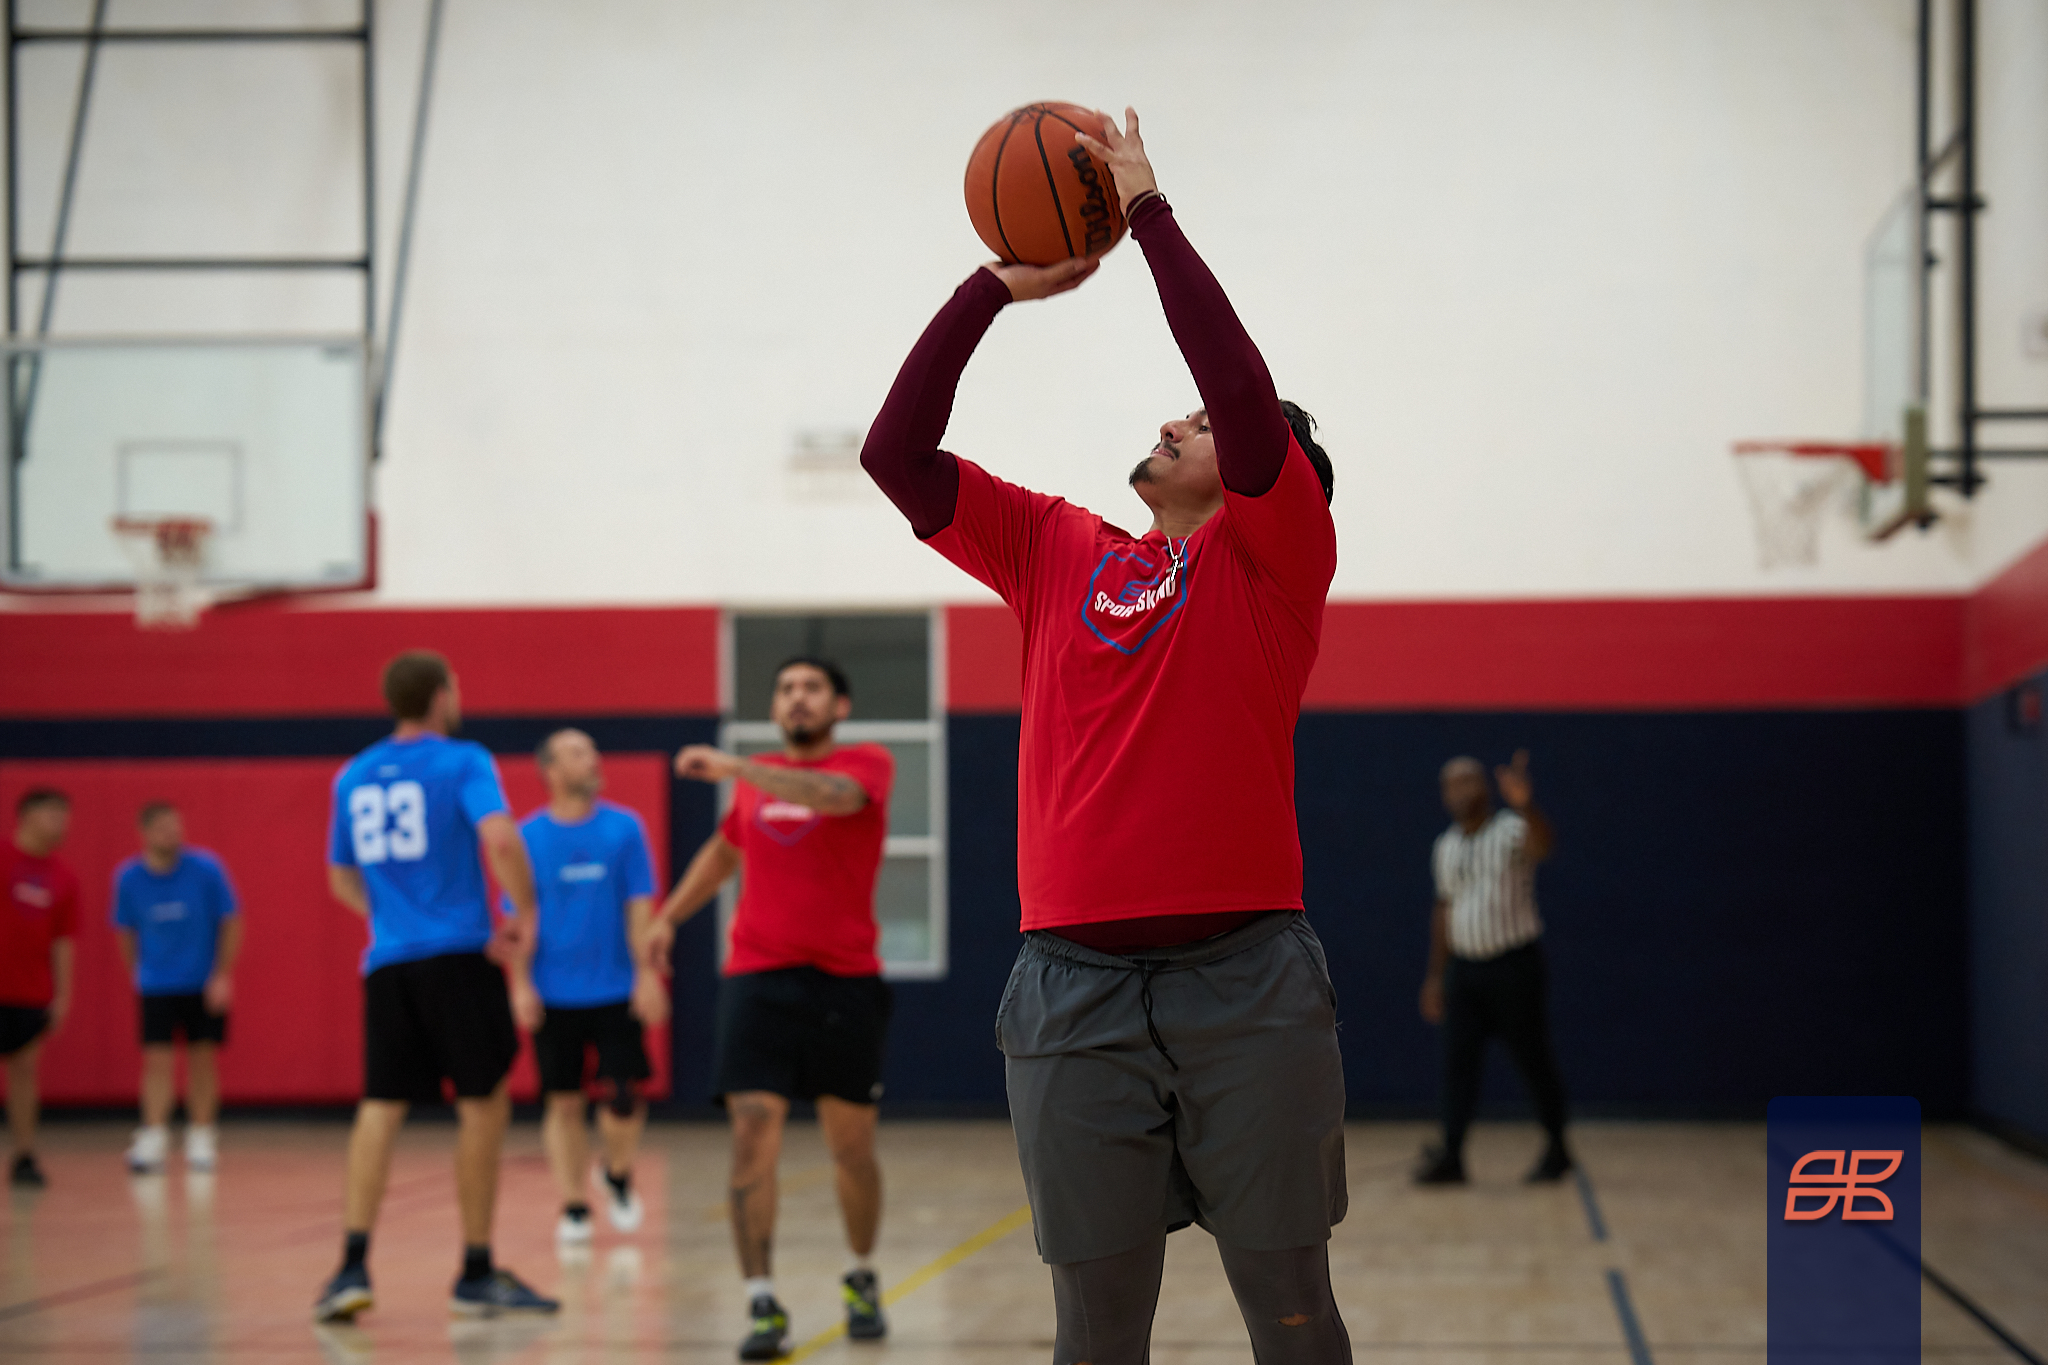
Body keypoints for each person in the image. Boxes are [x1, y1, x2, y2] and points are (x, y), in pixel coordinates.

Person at [859, 109, 1348, 1365]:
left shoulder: (1274, 563)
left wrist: (1148, 216)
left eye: (1202, 425)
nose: (1177, 421)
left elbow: (1242, 399)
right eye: (1177, 414)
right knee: (1094, 1328)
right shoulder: (1054, 547)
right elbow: (894, 454)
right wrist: (990, 289)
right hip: (1069, 985)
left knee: (1290, 1304)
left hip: (1245, 975)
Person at [641, 656, 895, 1361]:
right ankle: (760, 1299)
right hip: (757, 976)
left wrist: (738, 768)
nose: (797, 698)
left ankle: (861, 1274)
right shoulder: (754, 785)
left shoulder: (866, 763)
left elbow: (834, 798)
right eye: (786, 689)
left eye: (812, 687)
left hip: (845, 981)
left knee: (852, 1148)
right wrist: (667, 917)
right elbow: (724, 854)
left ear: (839, 704)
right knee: (752, 1130)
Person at [314, 650, 560, 1322]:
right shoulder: (463, 760)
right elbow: (501, 839)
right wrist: (524, 913)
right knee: (482, 1105)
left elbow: (339, 876)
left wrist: (392, 918)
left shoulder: (352, 774)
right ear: (443, 696)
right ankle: (475, 1269)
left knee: (380, 1106)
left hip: (389, 962)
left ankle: (350, 1266)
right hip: (457, 957)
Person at [511, 728, 666, 1248]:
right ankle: (574, 1204)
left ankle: (617, 1173)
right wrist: (520, 985)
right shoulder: (528, 838)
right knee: (564, 1103)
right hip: (553, 991)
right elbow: (519, 918)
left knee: (623, 1097)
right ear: (551, 770)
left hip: (615, 988)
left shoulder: (624, 829)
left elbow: (639, 905)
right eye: (578, 753)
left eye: (594, 750)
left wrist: (647, 975)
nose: (593, 759)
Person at [1415, 750, 1573, 1185]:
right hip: (1465, 970)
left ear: (1485, 787)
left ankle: (1558, 1146)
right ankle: (1452, 1154)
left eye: (1467, 781)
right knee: (1457, 1064)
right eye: (1451, 785)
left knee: (1533, 1059)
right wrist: (1435, 976)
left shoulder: (1510, 829)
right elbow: (1443, 910)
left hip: (1513, 965)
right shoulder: (1445, 846)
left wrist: (1525, 804)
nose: (1459, 791)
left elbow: (1543, 846)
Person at [112, 801, 242, 1174]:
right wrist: (138, 972)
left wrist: (222, 974)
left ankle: (201, 1136)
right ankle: (154, 1136)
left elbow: (231, 920)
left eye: (176, 826)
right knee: (157, 1061)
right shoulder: (129, 878)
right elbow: (124, 930)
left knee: (203, 1059)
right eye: (164, 827)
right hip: (156, 985)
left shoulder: (206, 869)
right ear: (145, 832)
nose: (173, 834)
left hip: (201, 982)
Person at [0, 789, 76, 1189]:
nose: (61, 822)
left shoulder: (63, 876)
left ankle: (24, 1155)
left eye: (64, 815)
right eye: (52, 814)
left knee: (25, 1072)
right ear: (26, 816)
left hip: (31, 991)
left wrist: (62, 995)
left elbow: (64, 939)